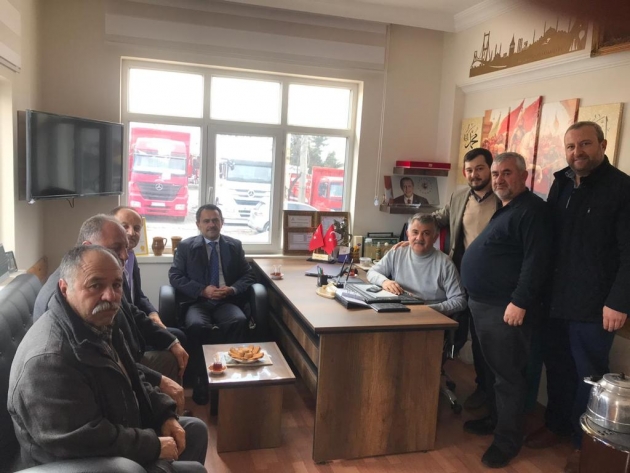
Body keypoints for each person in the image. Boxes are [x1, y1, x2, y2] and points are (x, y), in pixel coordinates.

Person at [8, 246, 207, 473]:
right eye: (95, 285)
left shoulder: (99, 321)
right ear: (65, 289)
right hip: (83, 462)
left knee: (195, 431)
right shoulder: (48, 360)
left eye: (116, 285)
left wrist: (164, 415)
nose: (110, 296)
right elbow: (80, 439)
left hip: (118, 429)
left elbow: (133, 377)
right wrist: (153, 445)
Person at [524, 121, 630, 473]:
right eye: (571, 146)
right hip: (556, 299)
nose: (577, 152)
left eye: (585, 144)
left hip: (595, 305)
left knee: (590, 376)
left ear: (602, 144)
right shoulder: (562, 182)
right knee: (558, 367)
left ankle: (583, 445)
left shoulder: (622, 189)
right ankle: (556, 424)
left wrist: (619, 301)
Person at [33, 215, 188, 412]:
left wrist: (170, 341)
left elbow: (131, 311)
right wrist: (157, 379)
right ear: (88, 247)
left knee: (176, 346)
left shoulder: (105, 275)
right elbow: (101, 362)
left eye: (126, 248)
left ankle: (171, 412)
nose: (125, 256)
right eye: (116, 248)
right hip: (108, 374)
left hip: (127, 357)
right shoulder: (67, 297)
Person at [460, 152, 550, 468]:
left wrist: (520, 301)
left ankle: (506, 442)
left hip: (504, 309)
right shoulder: (507, 208)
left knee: (508, 378)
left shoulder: (532, 211)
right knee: (493, 373)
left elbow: (536, 262)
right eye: (496, 174)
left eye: (507, 173)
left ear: (524, 176)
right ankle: (495, 421)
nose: (499, 179)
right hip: (484, 305)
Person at [169, 204, 256, 405]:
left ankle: (230, 378)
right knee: (197, 325)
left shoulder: (234, 246)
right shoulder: (186, 247)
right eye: (206, 221)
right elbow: (175, 276)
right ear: (198, 224)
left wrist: (232, 289)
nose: (211, 224)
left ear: (222, 222)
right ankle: (201, 379)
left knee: (238, 320)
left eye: (215, 220)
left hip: (226, 301)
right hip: (198, 302)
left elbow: (248, 275)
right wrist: (202, 290)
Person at [367, 214, 467, 316]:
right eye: (415, 232)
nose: (419, 238)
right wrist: (384, 282)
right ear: (408, 234)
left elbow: (460, 300)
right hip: (399, 311)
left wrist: (427, 309)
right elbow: (371, 272)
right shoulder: (397, 252)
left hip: (429, 317)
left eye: (426, 233)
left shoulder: (445, 263)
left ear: (435, 237)